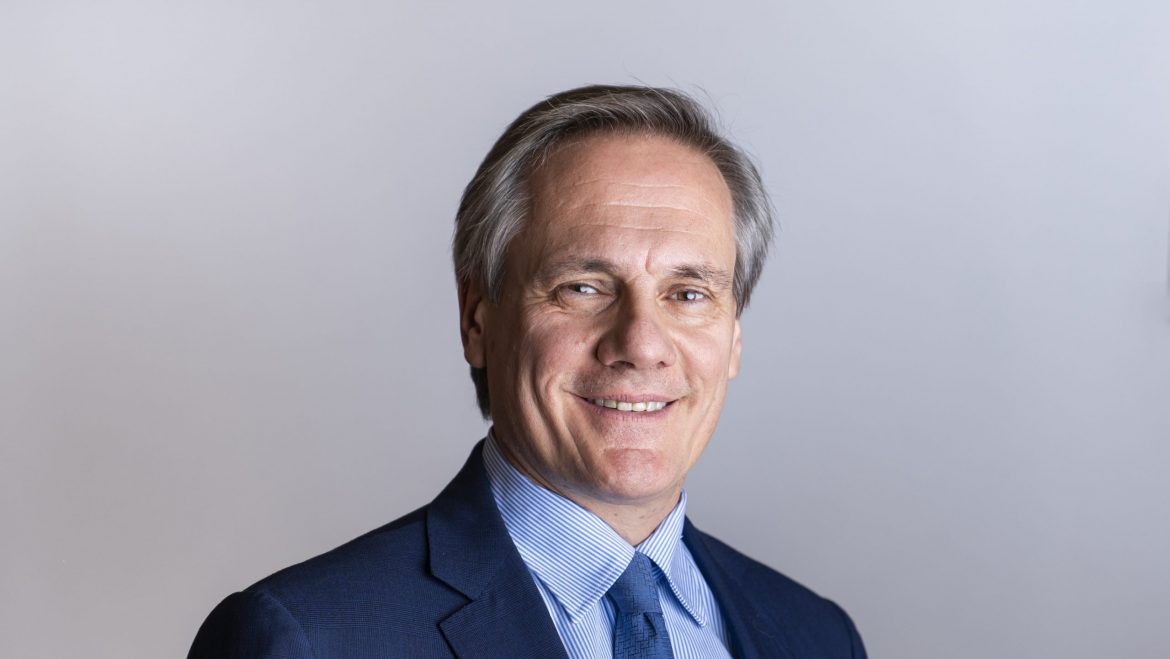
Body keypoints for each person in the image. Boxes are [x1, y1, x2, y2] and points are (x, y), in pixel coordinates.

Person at [188, 84, 867, 659]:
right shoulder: (306, 638)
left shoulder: (817, 636)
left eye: (688, 294)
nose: (641, 345)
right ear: (477, 320)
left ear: (734, 335)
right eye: (583, 287)